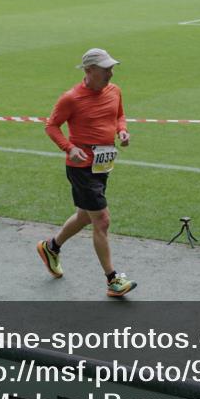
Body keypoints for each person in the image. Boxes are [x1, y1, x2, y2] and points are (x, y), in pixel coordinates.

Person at [38, 47, 136, 298]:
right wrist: (69, 148)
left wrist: (122, 131)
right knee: (101, 220)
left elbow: (119, 115)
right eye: (106, 69)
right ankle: (112, 280)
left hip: (102, 166)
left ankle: (51, 247)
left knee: (84, 216)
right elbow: (52, 126)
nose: (111, 73)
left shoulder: (115, 91)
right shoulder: (71, 98)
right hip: (81, 168)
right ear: (89, 71)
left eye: (112, 68)